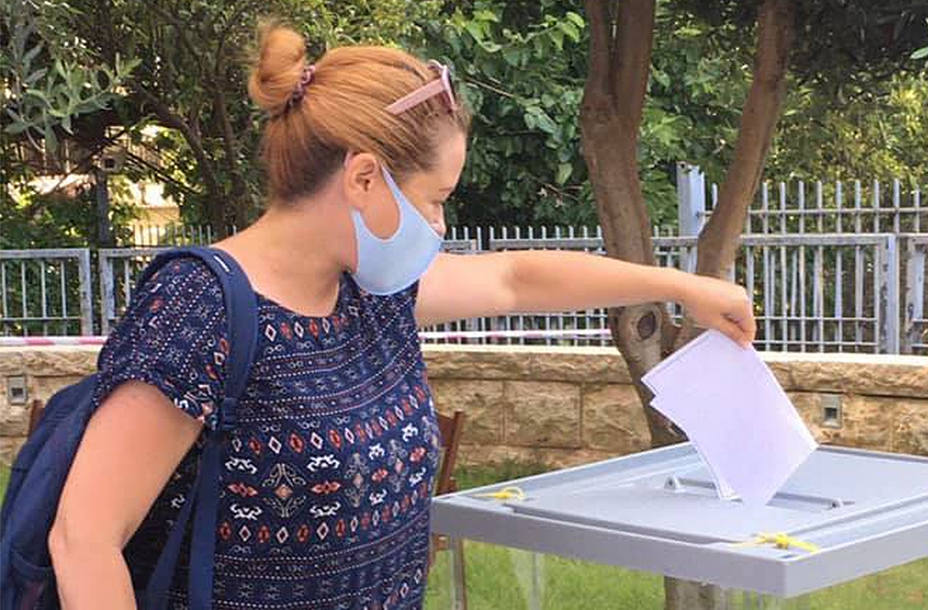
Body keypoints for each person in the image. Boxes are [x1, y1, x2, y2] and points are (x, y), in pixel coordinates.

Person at [46, 23, 756, 610]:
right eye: (436, 197)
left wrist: (680, 286)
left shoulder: (370, 295)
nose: (440, 225)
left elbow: (514, 279)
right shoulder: (200, 308)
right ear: (361, 178)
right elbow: (85, 537)